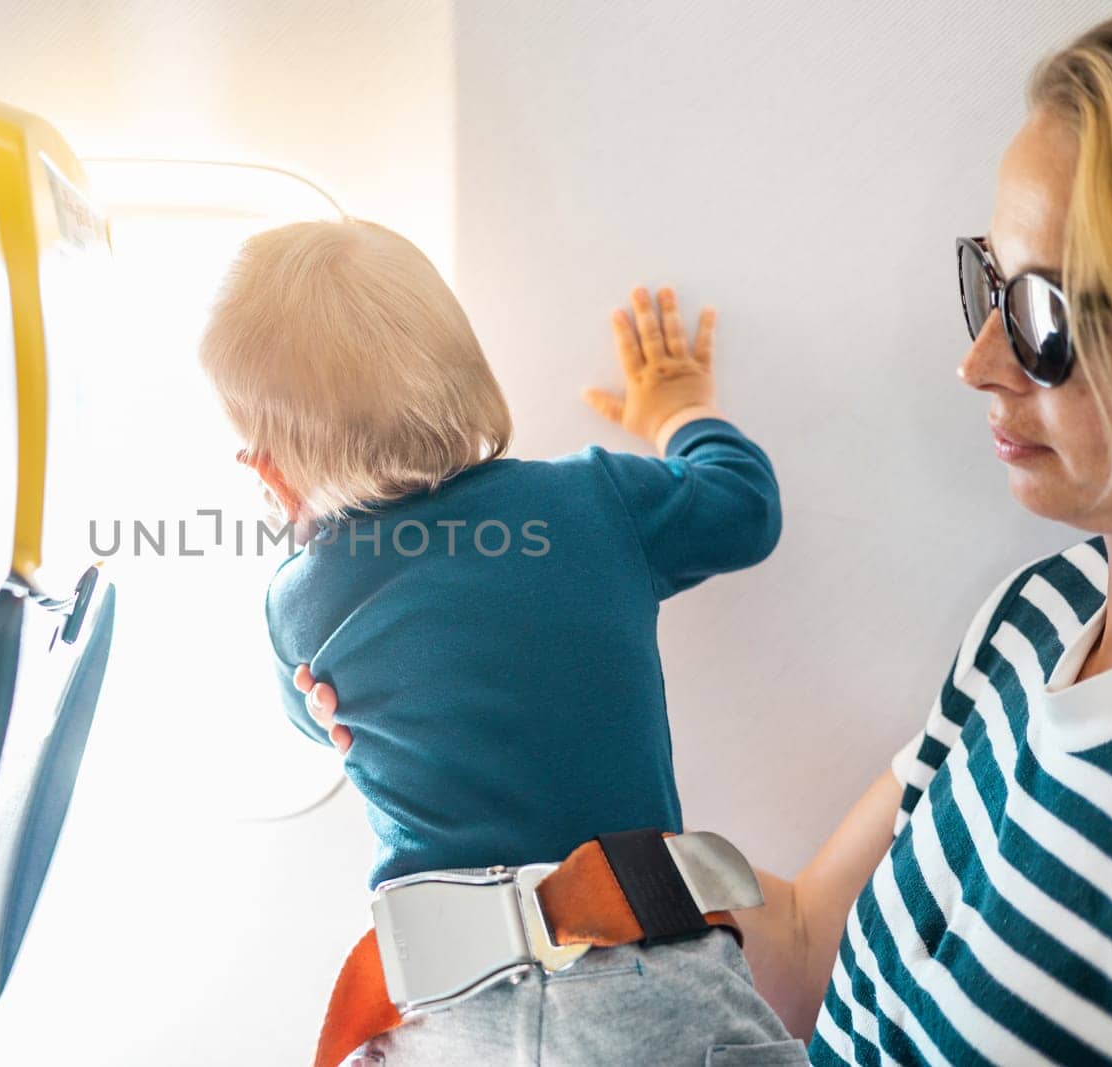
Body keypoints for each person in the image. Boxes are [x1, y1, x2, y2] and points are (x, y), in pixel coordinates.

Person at [293, 19, 1112, 1064]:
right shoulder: (1031, 614)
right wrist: (508, 897)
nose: (977, 361)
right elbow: (810, 939)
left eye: (1040, 315)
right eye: (982, 282)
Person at [199, 218, 799, 1065]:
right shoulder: (594, 503)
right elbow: (745, 508)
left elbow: (311, 725)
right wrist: (678, 410)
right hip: (651, 993)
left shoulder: (297, 604)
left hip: (449, 1017)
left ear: (267, 472)